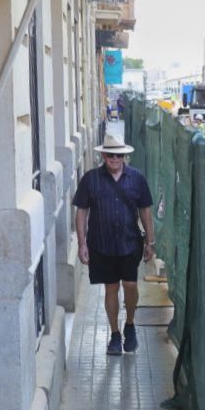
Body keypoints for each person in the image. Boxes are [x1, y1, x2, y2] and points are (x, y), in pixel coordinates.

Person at [73, 135, 156, 356]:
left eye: (119, 155)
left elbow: (146, 211)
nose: (115, 158)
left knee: (130, 285)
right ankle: (115, 334)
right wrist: (82, 244)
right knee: (111, 288)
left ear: (124, 156)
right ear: (103, 155)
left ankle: (130, 324)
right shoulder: (90, 180)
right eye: (110, 154)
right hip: (102, 244)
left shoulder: (137, 179)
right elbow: (81, 211)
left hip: (130, 243)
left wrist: (150, 241)